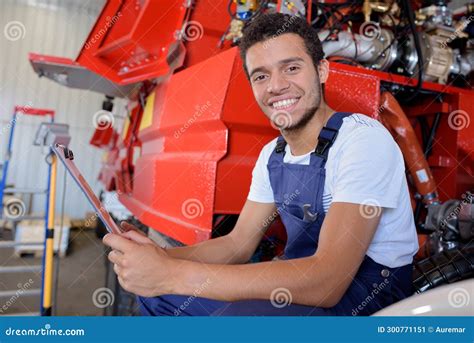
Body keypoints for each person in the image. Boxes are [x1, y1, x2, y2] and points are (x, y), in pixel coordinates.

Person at [103, 13, 418, 316]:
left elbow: (328, 281)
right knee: (159, 297)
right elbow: (237, 244)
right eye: (261, 75)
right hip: (298, 286)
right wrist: (156, 259)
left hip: (363, 299)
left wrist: (172, 274)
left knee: (230, 319)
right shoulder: (273, 154)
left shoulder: (362, 141)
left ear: (321, 70)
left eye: (291, 68)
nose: (276, 86)